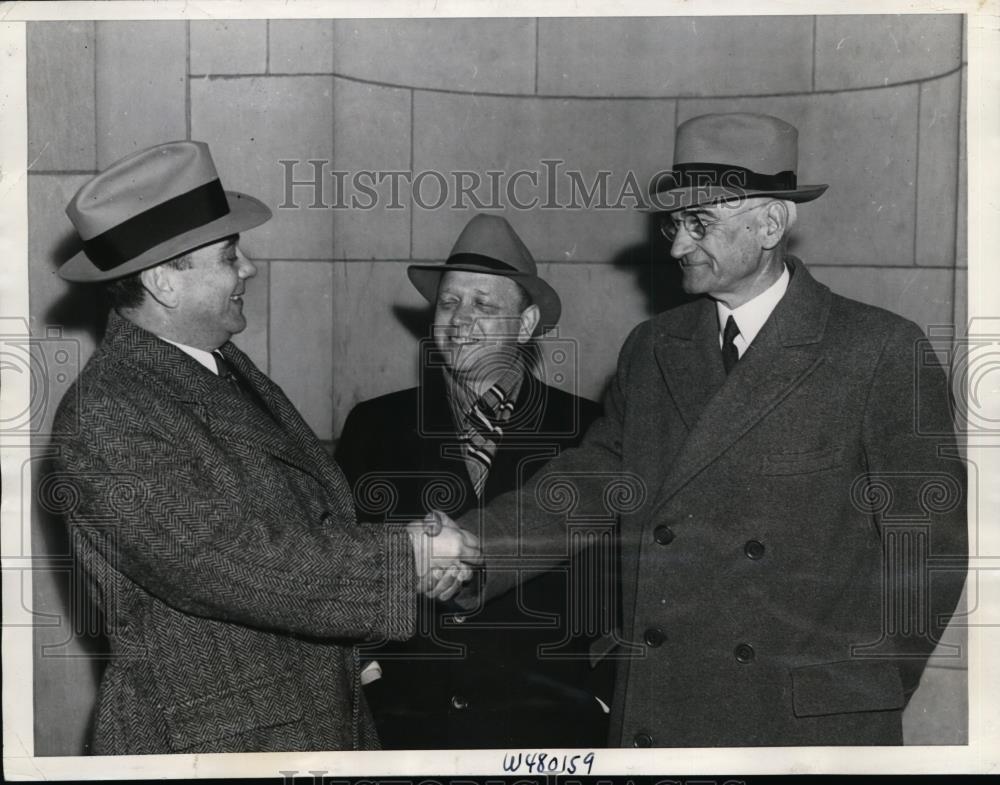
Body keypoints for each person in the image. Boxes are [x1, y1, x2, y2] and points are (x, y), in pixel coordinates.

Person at [436, 113, 968, 747]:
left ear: (770, 225)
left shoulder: (879, 349)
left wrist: (861, 689)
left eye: (700, 224)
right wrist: (471, 546)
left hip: (802, 723)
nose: (677, 247)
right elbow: (588, 483)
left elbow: (928, 545)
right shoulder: (654, 346)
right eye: (675, 224)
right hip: (665, 704)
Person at [49, 140, 477, 755]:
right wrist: (405, 555)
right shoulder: (108, 412)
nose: (247, 268)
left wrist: (408, 553)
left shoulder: (211, 364)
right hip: (213, 744)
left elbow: (297, 521)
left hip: (290, 720)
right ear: (163, 281)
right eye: (228, 256)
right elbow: (222, 561)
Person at [335, 214, 615, 749]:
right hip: (407, 730)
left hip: (548, 730)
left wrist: (599, 696)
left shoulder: (588, 430)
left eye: (483, 305)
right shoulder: (375, 426)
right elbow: (343, 562)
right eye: (449, 302)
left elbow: (626, 580)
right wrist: (370, 680)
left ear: (527, 324)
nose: (460, 321)